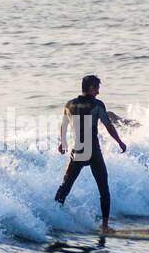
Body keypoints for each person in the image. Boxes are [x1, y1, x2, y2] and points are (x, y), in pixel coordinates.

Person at [54, 74, 126, 233]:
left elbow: (63, 126)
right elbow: (108, 125)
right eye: (97, 88)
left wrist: (62, 142)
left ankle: (53, 217)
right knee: (103, 189)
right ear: (92, 88)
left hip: (77, 151)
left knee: (65, 187)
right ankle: (105, 226)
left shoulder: (69, 104)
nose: (98, 92)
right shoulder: (97, 105)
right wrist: (120, 142)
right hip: (93, 151)